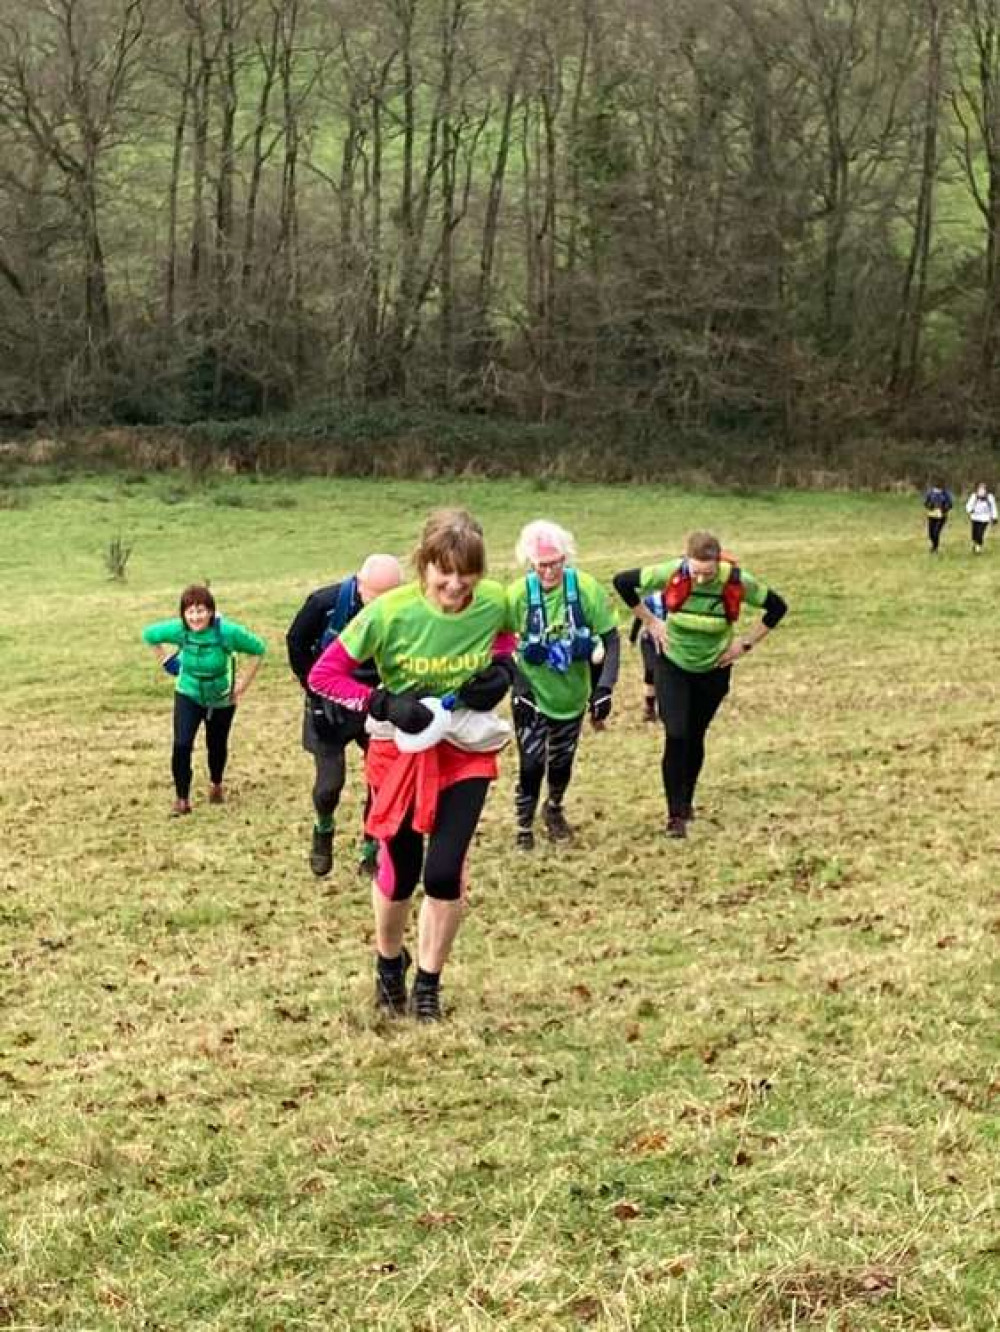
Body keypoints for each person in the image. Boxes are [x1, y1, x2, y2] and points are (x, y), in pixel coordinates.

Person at [308, 509, 516, 1022]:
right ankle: (387, 963)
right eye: (444, 573)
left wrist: (503, 671)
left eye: (467, 574)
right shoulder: (389, 613)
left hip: (464, 748)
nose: (456, 585)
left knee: (444, 871)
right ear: (424, 566)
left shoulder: (494, 602)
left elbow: (508, 640)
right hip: (399, 750)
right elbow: (324, 674)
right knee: (400, 871)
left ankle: (428, 982)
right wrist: (382, 702)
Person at [613, 532, 787, 839]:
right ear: (685, 561)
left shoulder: (736, 580)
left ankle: (687, 799)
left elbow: (777, 608)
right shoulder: (670, 573)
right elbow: (622, 582)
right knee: (676, 733)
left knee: (695, 735)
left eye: (708, 573)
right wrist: (651, 621)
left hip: (714, 669)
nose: (702, 580)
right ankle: (674, 815)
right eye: (695, 572)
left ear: (718, 563)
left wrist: (743, 645)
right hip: (673, 663)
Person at [286, 554, 403, 877]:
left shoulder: (405, 609)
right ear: (359, 583)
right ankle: (323, 830)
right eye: (375, 597)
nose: (381, 606)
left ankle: (371, 849)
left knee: (381, 781)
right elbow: (296, 642)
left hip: (376, 702)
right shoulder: (323, 603)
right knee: (329, 786)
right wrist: (314, 693)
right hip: (330, 702)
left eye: (389, 597)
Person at [507, 520, 620, 850]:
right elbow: (497, 645)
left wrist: (605, 688)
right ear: (531, 563)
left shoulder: (585, 590)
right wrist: (519, 684)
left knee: (560, 762)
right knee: (531, 763)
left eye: (555, 563)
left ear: (565, 559)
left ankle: (554, 808)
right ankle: (523, 826)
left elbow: (611, 640)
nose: (549, 571)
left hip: (572, 694)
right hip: (531, 695)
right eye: (542, 565)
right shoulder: (517, 596)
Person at [142, 585, 266, 816]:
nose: (195, 617)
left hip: (221, 697)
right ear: (183, 614)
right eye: (190, 612)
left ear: (210, 612)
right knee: (181, 744)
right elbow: (149, 635)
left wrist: (242, 686)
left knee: (216, 745)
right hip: (188, 693)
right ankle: (182, 799)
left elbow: (258, 649)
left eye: (201, 611)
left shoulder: (227, 632)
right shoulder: (179, 630)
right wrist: (167, 663)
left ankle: (216, 784)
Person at [628, 590, 667, 723]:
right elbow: (639, 617)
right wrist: (632, 637)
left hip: (673, 642)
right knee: (651, 670)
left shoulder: (684, 599)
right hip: (649, 640)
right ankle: (649, 708)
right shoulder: (652, 600)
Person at [965, 482, 997, 553]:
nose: (982, 491)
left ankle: (978, 548)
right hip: (975, 518)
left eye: (983, 489)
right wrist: (970, 510)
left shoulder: (990, 497)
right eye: (980, 489)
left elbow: (993, 508)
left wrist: (994, 517)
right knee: (974, 534)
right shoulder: (974, 496)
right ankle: (975, 543)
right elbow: (968, 505)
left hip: (985, 518)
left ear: (986, 490)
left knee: (980, 533)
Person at [923, 481, 953, 554]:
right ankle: (934, 545)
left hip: (941, 516)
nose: (937, 491)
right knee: (931, 533)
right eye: (936, 489)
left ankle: (935, 548)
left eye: (939, 489)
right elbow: (926, 503)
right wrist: (930, 506)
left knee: (936, 532)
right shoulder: (930, 493)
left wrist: (943, 509)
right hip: (932, 515)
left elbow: (950, 504)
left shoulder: (946, 494)